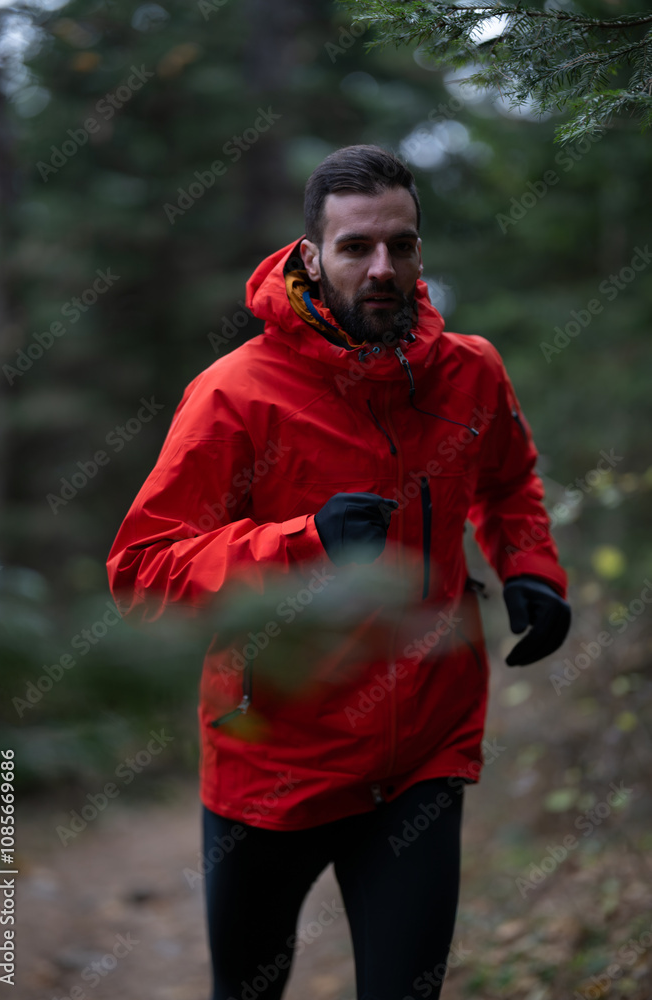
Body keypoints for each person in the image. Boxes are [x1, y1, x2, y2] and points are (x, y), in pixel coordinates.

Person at [106, 144, 571, 1000]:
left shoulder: (469, 371)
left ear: (420, 251)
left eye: (400, 244)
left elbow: (507, 481)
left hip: (422, 755)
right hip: (273, 763)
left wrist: (531, 569)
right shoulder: (235, 394)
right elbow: (142, 571)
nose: (381, 267)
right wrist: (301, 543)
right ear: (311, 257)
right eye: (356, 246)